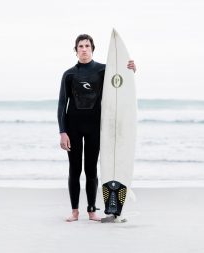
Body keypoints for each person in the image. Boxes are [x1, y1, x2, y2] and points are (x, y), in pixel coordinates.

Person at [57, 34, 136, 222]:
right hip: (73, 127)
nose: (84, 49)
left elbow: (120, 81)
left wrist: (131, 68)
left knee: (91, 169)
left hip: (95, 127)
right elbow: (61, 105)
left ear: (92, 48)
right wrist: (63, 132)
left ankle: (92, 210)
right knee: (74, 170)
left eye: (87, 46)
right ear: (75, 50)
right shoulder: (69, 74)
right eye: (80, 46)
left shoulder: (103, 70)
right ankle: (75, 211)